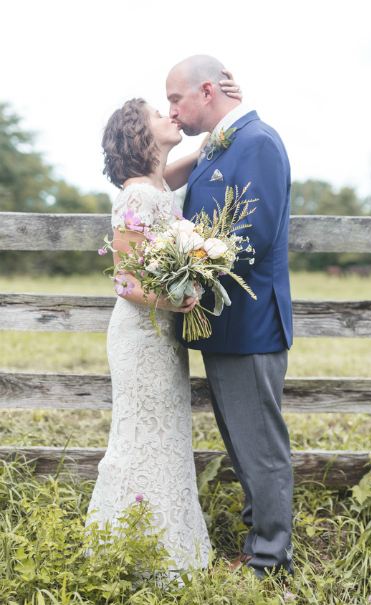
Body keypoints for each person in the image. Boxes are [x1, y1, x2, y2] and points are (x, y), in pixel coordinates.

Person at [87, 73, 242, 578]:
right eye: (160, 113)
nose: (170, 115)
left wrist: (228, 115)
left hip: (161, 339)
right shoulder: (135, 196)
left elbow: (189, 166)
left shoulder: (155, 185)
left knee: (166, 437)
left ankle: (166, 548)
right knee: (140, 439)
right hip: (141, 338)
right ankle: (133, 554)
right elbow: (127, 283)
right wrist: (179, 301)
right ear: (141, 134)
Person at [167, 54, 295, 582]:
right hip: (223, 326)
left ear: (205, 91)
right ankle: (256, 542)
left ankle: (271, 560)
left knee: (261, 447)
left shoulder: (258, 143)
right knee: (243, 444)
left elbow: (252, 235)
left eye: (176, 99)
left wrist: (186, 266)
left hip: (249, 326)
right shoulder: (222, 143)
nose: (172, 112)